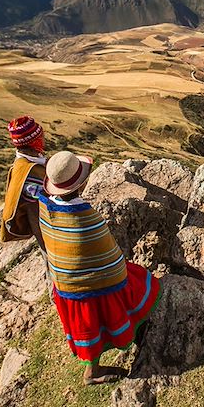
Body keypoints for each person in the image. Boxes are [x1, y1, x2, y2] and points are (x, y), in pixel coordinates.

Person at [38, 151, 161, 385]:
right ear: (82, 182)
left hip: (64, 283)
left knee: (87, 328)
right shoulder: (85, 217)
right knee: (140, 282)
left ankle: (93, 369)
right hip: (93, 285)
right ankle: (134, 335)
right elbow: (110, 258)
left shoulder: (44, 207)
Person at [0, 115, 47, 257]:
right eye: (41, 136)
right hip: (47, 232)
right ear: (35, 141)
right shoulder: (30, 174)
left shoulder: (23, 164)